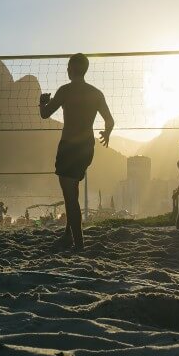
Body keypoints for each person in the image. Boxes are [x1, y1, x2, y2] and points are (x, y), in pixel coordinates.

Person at [39, 53, 114, 252]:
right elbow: (110, 121)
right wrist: (107, 133)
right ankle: (67, 235)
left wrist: (42, 102)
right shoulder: (96, 93)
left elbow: (45, 114)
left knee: (70, 198)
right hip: (87, 146)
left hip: (69, 146)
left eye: (68, 66)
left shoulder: (65, 90)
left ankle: (78, 244)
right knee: (73, 190)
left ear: (71, 69)